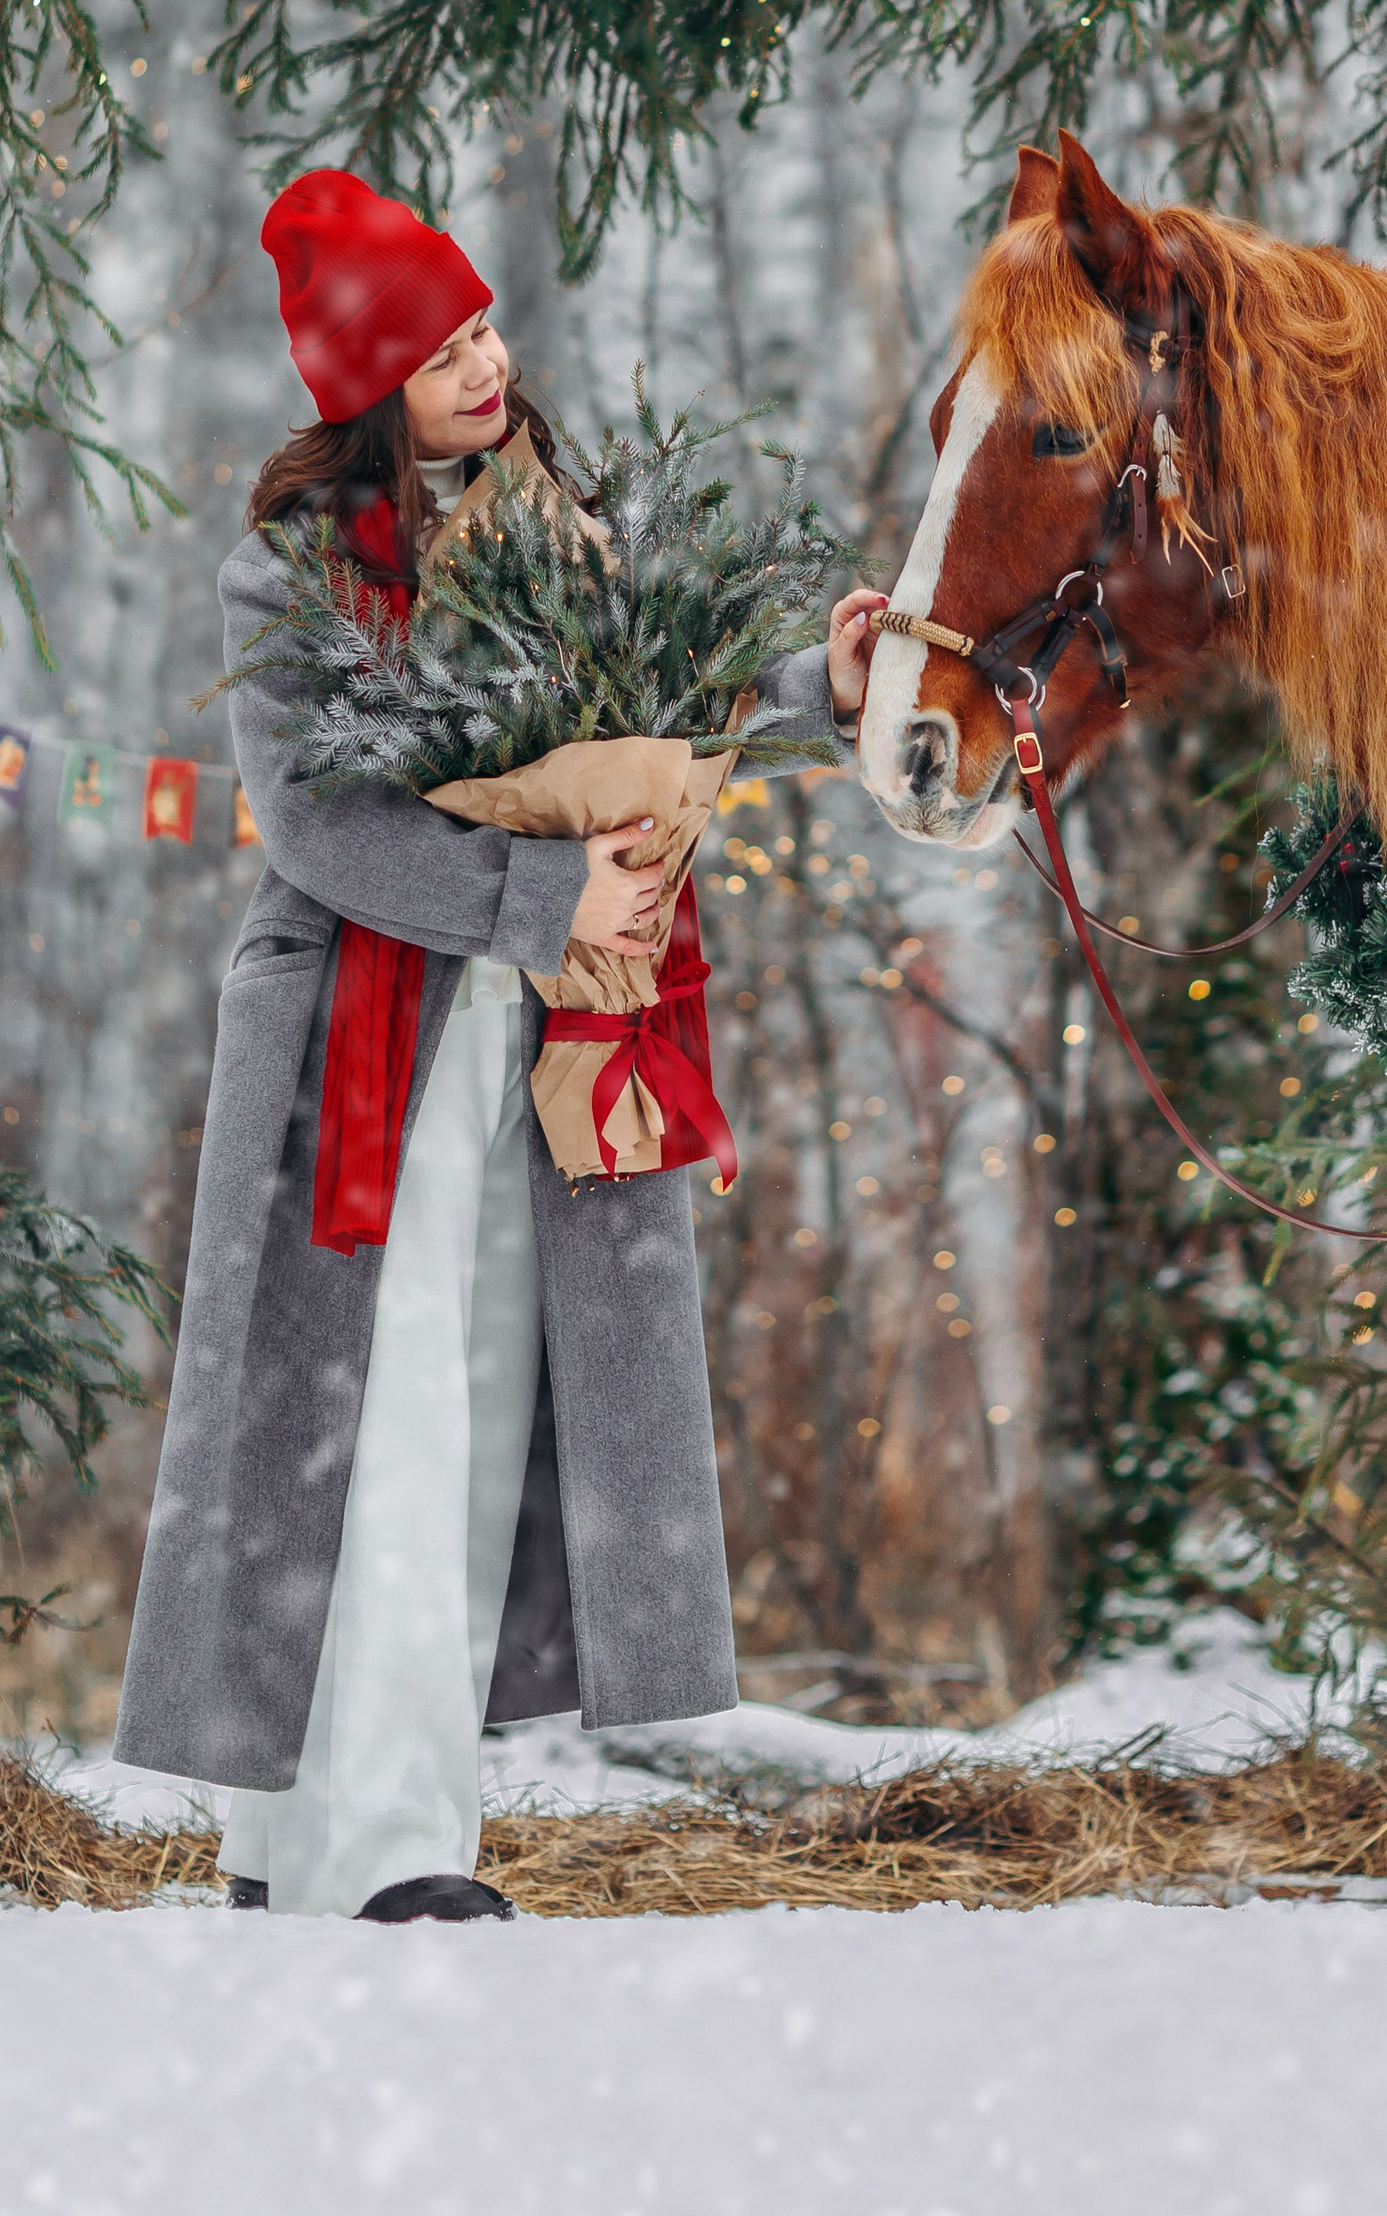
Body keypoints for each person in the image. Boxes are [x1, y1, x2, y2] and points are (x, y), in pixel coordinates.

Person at [112, 169, 887, 1920]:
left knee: (469, 1419)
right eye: (441, 344)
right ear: (366, 385)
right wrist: (550, 901)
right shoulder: (293, 574)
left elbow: (664, 701)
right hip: (355, 1053)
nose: (484, 359)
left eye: (483, 326)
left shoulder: (564, 526)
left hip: (541, 1057)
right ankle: (379, 1852)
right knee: (366, 1422)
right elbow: (320, 829)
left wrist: (823, 691)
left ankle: (321, 1839)